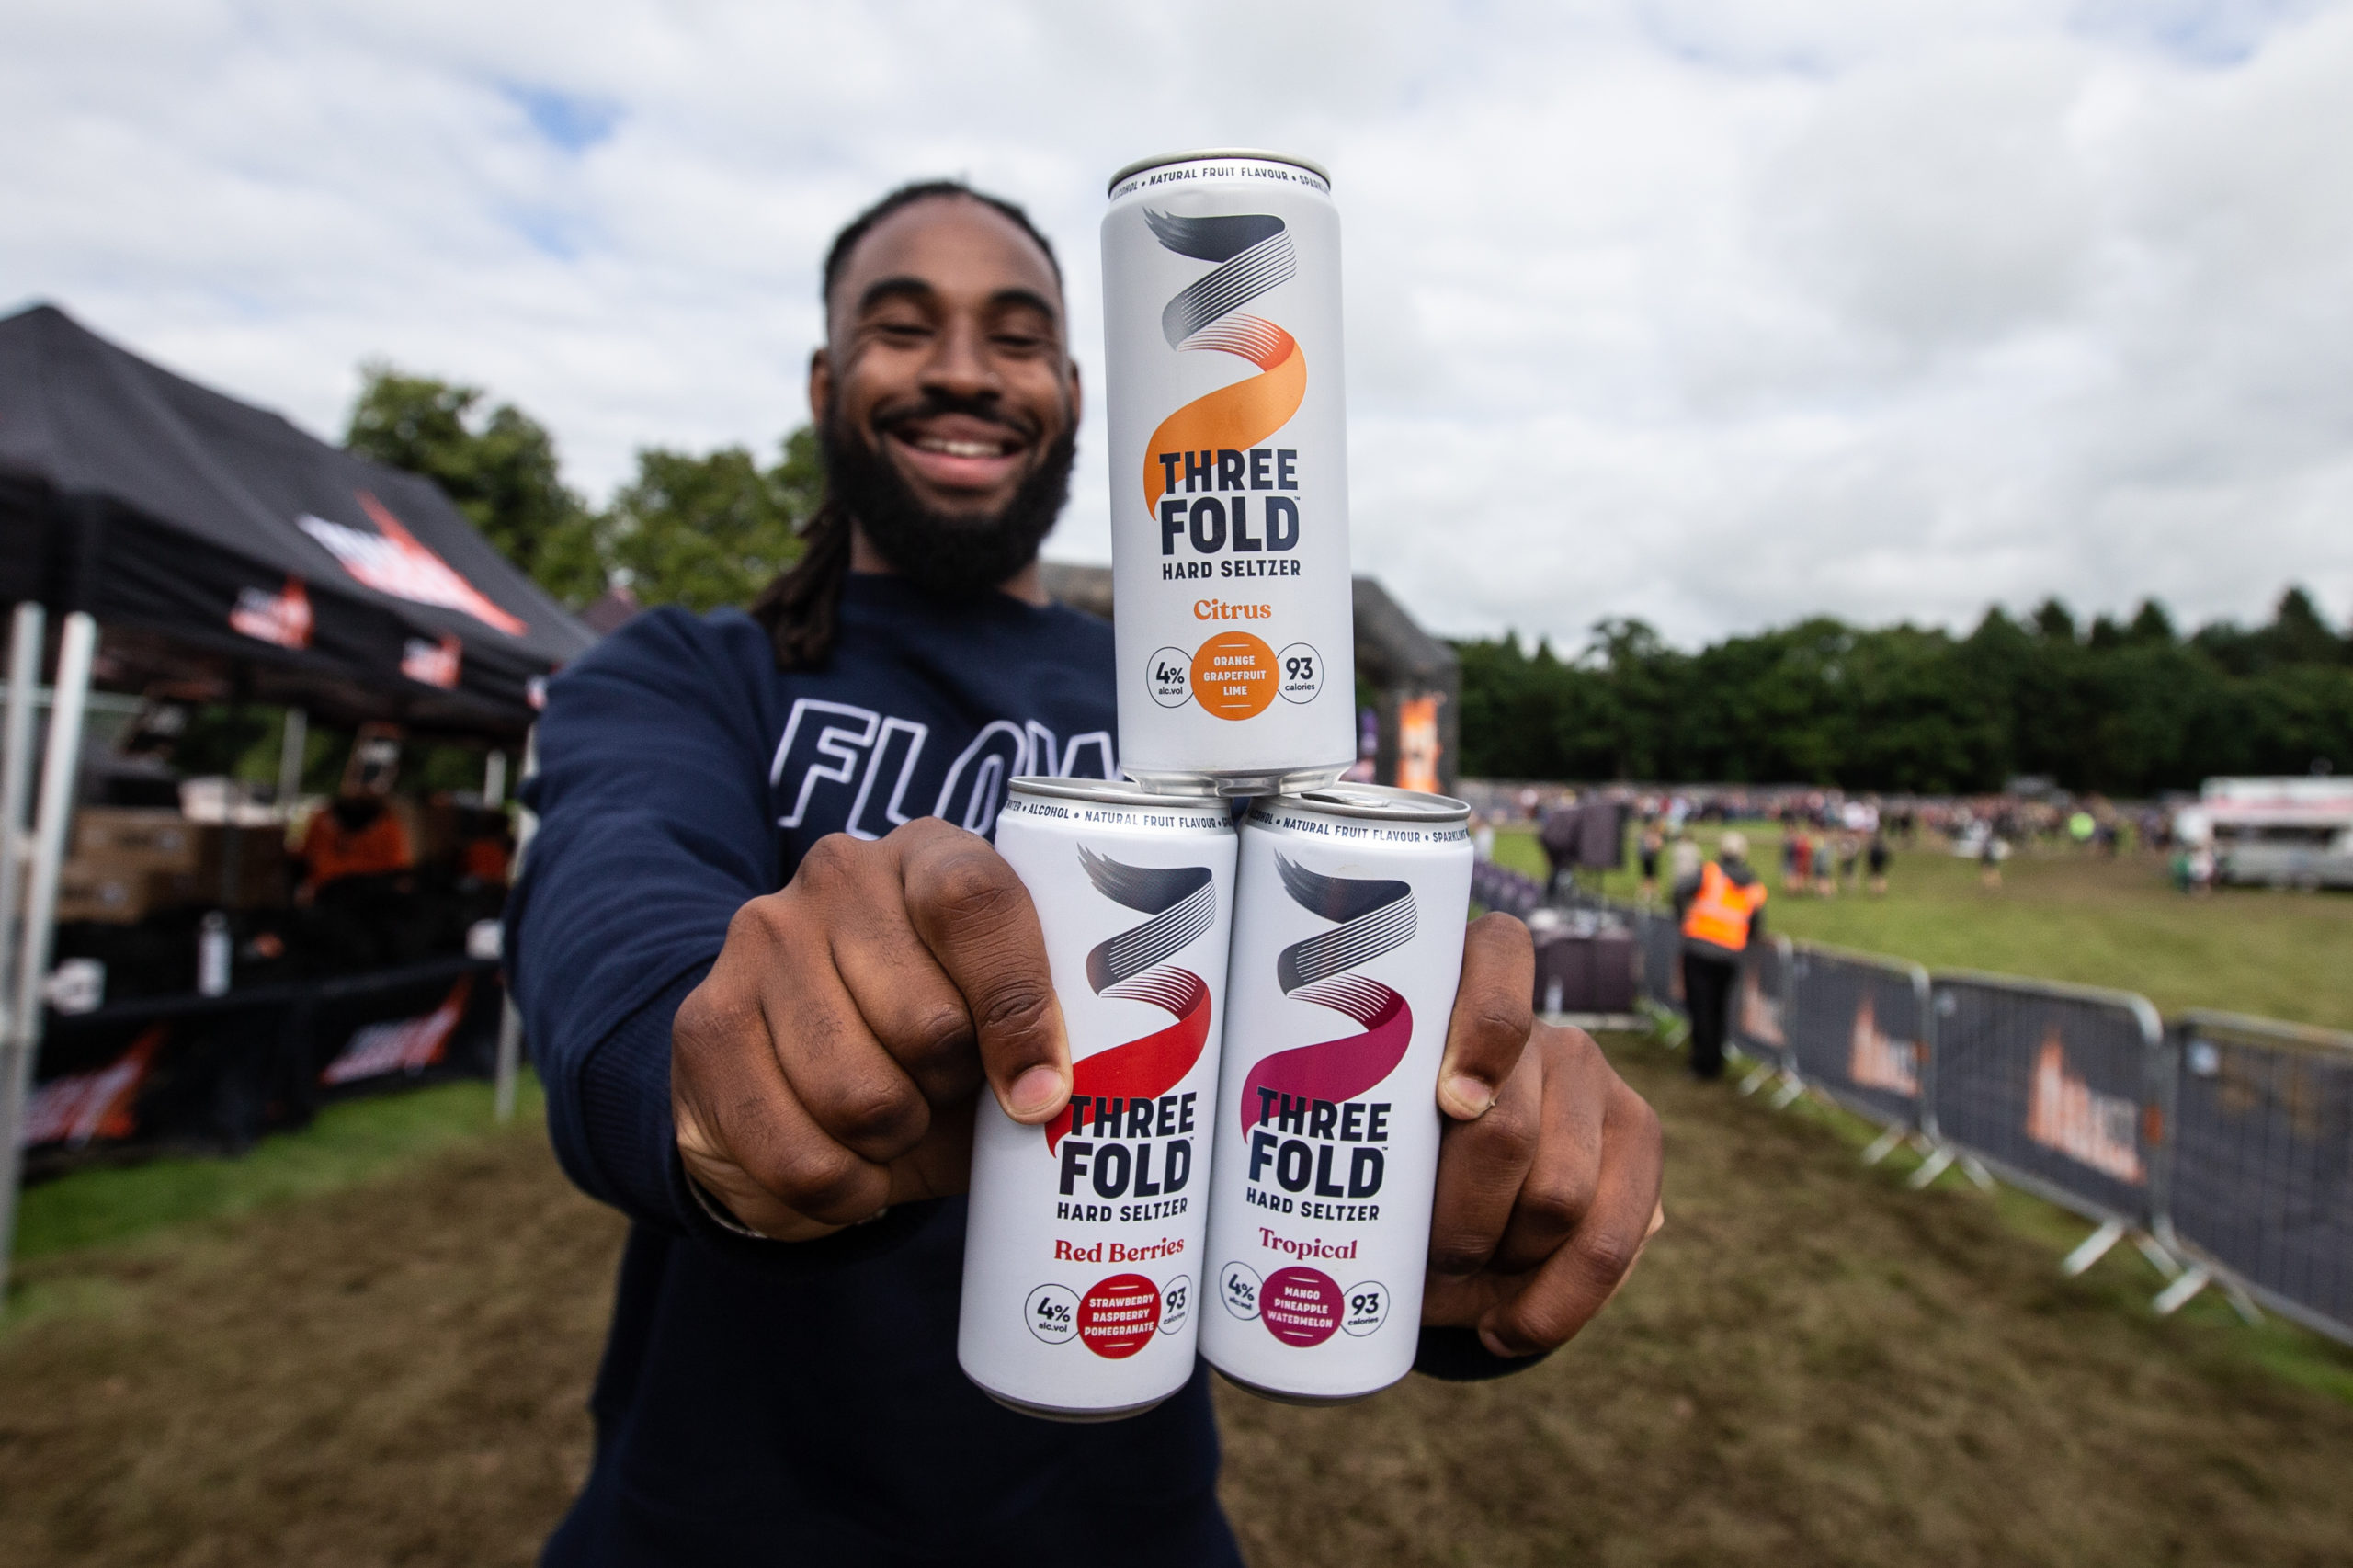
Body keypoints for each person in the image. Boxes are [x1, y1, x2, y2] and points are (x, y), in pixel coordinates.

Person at [509, 180, 1666, 1568]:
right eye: (901, 327)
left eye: (1013, 337)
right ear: (827, 381)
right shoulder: (684, 673)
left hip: (1129, 1520)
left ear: (1071, 387)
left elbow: (1316, 1096)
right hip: (722, 1516)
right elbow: (610, 942)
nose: (958, 369)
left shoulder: (1201, 721)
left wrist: (1477, 1188)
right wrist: (711, 1077)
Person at [1672, 831, 1766, 1081]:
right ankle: (1715, 1062)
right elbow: (1756, 922)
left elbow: (1679, 889)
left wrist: (1683, 919)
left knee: (1700, 1006)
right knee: (1720, 1008)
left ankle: (1702, 1063)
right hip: (1731, 953)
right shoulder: (1754, 885)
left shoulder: (1710, 873)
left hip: (1700, 948)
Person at [1638, 821, 1665, 903]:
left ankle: (1650, 894)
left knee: (1650, 876)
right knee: (1649, 876)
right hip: (1649, 858)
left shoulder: (1648, 834)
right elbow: (1658, 846)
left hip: (1649, 858)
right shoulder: (1652, 835)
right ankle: (1648, 894)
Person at [1866, 831, 1891, 896]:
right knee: (1881, 875)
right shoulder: (1883, 846)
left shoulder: (1872, 845)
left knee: (1874, 876)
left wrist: (1869, 863)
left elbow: (1870, 855)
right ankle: (1881, 890)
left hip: (1875, 861)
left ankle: (1874, 891)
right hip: (1881, 862)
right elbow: (1887, 855)